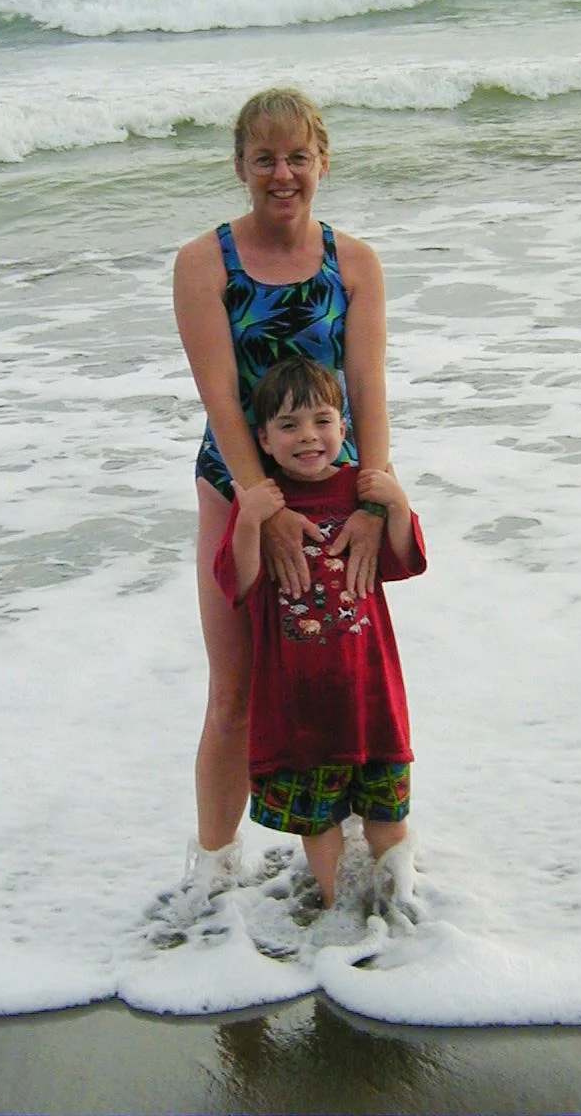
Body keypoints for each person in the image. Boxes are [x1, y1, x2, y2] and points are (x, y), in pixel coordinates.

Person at [173, 87, 392, 892]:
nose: (282, 174)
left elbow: (367, 389)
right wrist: (259, 507)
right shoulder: (204, 264)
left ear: (322, 162)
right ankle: (211, 875)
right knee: (235, 692)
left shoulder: (354, 263)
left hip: (334, 501)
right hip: (235, 492)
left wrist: (374, 502)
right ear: (240, 165)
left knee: (343, 680)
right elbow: (220, 399)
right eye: (264, 158)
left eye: (298, 157)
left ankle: (357, 861)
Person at [212, 357, 427, 909]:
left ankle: (397, 906)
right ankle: (337, 907)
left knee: (387, 814)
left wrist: (396, 503)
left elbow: (407, 559)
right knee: (319, 821)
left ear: (343, 428)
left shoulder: (362, 493)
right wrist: (249, 518)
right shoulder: (264, 506)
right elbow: (237, 581)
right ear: (263, 440)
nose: (308, 436)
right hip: (297, 707)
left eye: (322, 421)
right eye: (288, 425)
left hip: (371, 696)